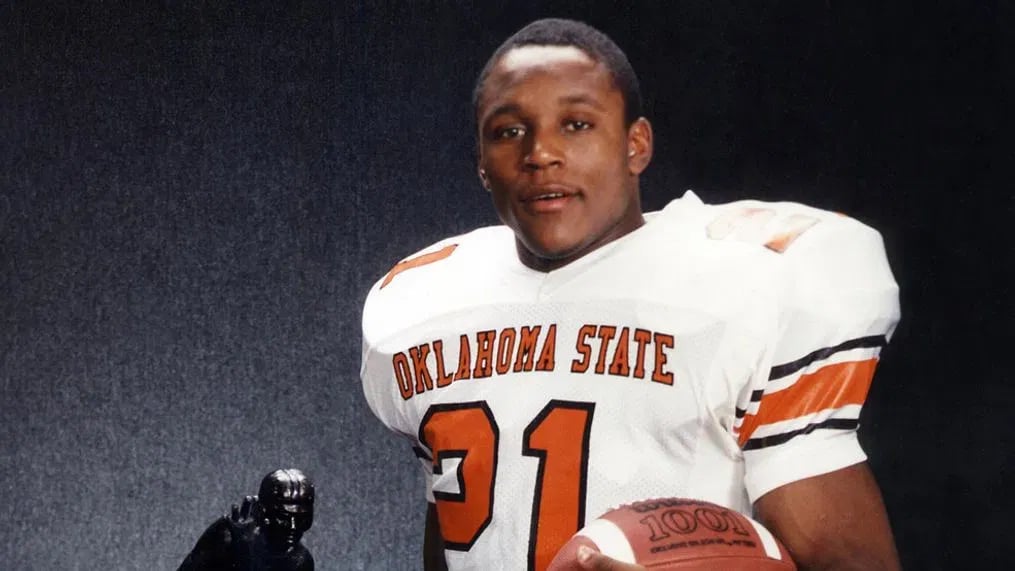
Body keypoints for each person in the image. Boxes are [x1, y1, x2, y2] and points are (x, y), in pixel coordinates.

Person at [360, 18, 901, 571]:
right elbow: (457, 534)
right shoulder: (422, 304)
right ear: (480, 161)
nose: (541, 153)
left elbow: (852, 561)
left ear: (635, 144)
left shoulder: (752, 281)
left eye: (576, 124)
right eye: (508, 131)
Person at [178, 469, 315, 571]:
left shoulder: (300, 561)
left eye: (302, 519)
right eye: (283, 517)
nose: (293, 527)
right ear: (263, 511)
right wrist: (241, 548)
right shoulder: (228, 536)